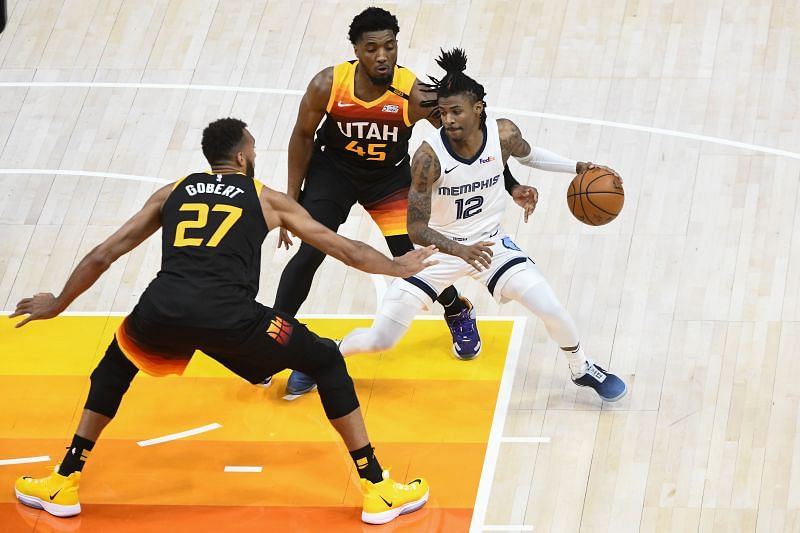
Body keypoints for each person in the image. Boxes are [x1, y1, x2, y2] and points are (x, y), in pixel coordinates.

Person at [10, 118, 432, 525]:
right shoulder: (265, 198)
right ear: (244, 156)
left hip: (162, 312)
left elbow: (105, 253)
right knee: (323, 358)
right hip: (232, 319)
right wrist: (397, 267)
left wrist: (60, 302)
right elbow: (344, 248)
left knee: (115, 366)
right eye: (253, 147)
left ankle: (63, 481)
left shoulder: (172, 191)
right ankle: (377, 488)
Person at [272, 7, 535, 396]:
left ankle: (457, 309)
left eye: (390, 47)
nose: (382, 56)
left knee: (416, 256)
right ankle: (272, 342)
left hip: (387, 179)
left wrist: (510, 183)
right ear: (356, 50)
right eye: (372, 48)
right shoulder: (329, 84)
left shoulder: (413, 94)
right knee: (310, 252)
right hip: (334, 174)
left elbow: (471, 140)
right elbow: (301, 136)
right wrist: (291, 202)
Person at [338, 49, 628, 403]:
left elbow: (528, 153)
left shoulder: (502, 134)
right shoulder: (428, 158)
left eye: (456, 111)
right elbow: (415, 228)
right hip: (437, 253)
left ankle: (581, 368)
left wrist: (578, 167)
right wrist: (460, 250)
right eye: (442, 113)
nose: (448, 119)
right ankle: (327, 355)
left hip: (490, 245)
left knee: (551, 307)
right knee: (380, 339)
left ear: (478, 109)